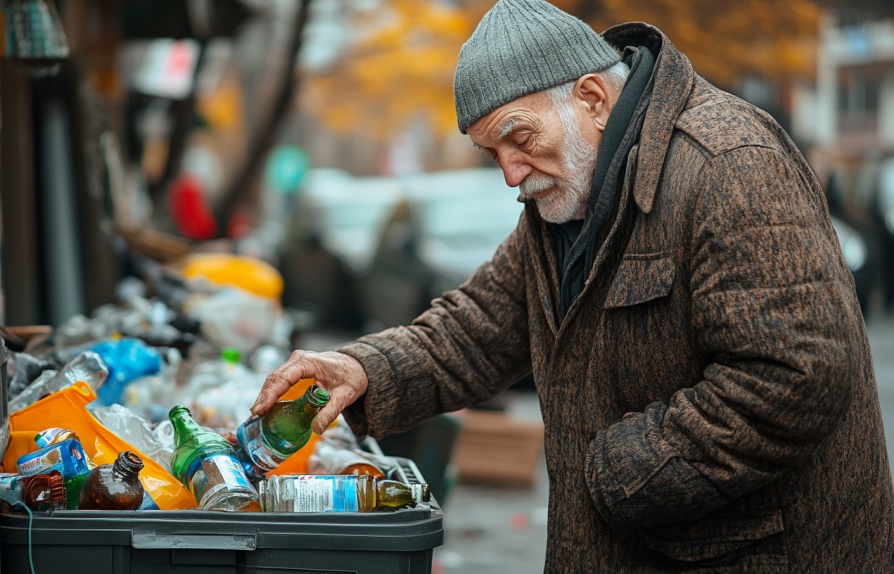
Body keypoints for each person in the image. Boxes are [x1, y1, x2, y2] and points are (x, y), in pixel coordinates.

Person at [252, 0, 894, 571]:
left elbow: (795, 376)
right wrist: (362, 367)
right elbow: (478, 327)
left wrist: (618, 472)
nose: (509, 175)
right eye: (491, 153)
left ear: (591, 98)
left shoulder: (728, 166)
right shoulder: (570, 196)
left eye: (519, 139)